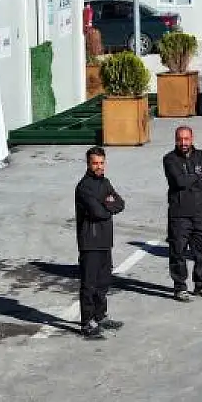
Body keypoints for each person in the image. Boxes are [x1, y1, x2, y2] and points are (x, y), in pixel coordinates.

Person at [74, 146, 125, 340]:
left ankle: (100, 315)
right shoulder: (83, 187)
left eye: (101, 163)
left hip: (105, 241)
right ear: (88, 164)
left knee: (103, 281)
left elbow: (120, 203)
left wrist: (107, 203)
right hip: (89, 242)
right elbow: (99, 212)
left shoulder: (105, 182)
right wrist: (107, 204)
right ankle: (87, 322)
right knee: (89, 284)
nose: (98, 166)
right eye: (95, 163)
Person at [162, 126, 202, 301]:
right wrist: (198, 175)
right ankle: (180, 288)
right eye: (180, 139)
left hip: (200, 213)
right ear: (176, 140)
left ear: (192, 138)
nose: (183, 143)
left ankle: (201, 285)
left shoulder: (201, 155)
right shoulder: (169, 159)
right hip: (179, 215)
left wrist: (192, 179)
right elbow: (178, 181)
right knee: (178, 252)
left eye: (186, 139)